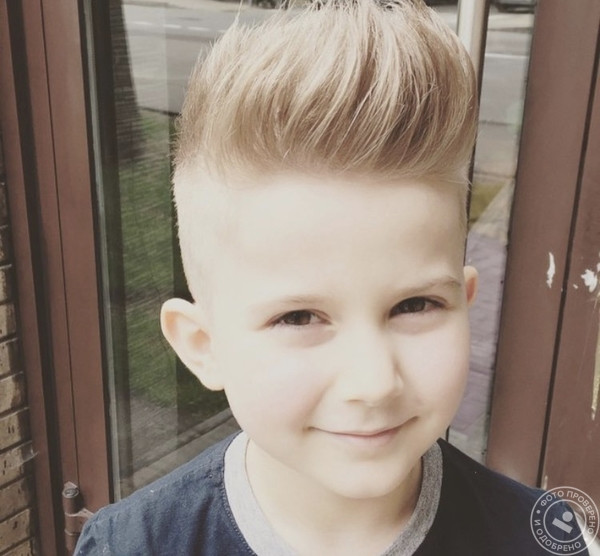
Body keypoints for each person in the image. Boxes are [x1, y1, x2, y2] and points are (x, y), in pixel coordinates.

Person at [75, 1, 587, 554]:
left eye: (415, 305)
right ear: (203, 345)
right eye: (298, 317)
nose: (374, 382)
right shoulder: (132, 546)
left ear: (464, 303)